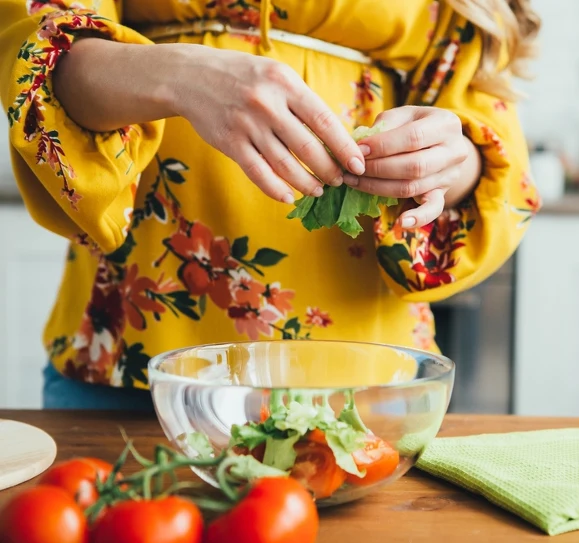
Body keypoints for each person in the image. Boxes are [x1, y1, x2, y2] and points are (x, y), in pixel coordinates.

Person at [0, 0, 541, 410]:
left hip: (365, 374)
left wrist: (446, 161)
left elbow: (483, 122)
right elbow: (37, 44)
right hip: (133, 361)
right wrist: (181, 73)